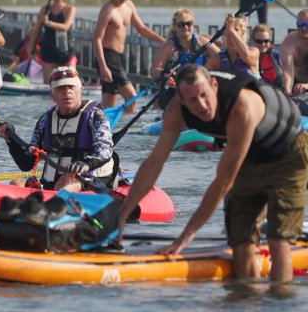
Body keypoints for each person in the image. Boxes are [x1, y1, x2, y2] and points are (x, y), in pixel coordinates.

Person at [118, 65, 308, 282]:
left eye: (204, 95)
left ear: (214, 86)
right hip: (250, 155)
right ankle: (247, 308)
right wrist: (123, 215)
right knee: (240, 240)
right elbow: (154, 162)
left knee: (278, 239)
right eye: (192, 100)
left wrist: (186, 236)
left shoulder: (241, 107)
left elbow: (223, 182)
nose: (201, 105)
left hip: (289, 154)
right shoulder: (176, 110)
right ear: (180, 99)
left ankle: (280, 306)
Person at [0, 66, 116, 192]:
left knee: (63, 183)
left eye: (71, 87)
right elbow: (26, 164)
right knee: (15, 183)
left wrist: (86, 164)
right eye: (60, 88)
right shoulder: (45, 120)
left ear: (81, 90)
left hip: (93, 180)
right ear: (52, 94)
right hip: (55, 181)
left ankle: (53, 201)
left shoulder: (95, 116)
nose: (67, 91)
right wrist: (11, 140)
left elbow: (105, 152)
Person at [93, 0, 166, 110]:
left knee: (108, 104)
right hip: (108, 57)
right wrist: (103, 67)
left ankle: (104, 127)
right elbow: (97, 39)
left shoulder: (129, 5)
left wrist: (163, 41)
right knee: (132, 97)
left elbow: (141, 28)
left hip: (118, 57)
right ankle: (129, 129)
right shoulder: (108, 9)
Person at [149, 8, 219, 110]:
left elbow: (222, 57)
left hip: (199, 89)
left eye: (188, 23)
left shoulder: (204, 42)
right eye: (181, 24)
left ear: (193, 25)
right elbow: (154, 70)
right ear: (174, 27)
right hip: (174, 91)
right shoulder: (169, 46)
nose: (185, 27)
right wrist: (164, 72)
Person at [24, 0, 77, 83]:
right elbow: (36, 30)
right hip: (49, 49)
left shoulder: (70, 9)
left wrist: (48, 23)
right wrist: (30, 48)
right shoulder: (45, 10)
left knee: (71, 81)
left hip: (65, 50)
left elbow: (66, 27)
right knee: (49, 84)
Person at [206, 13, 259, 78]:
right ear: (225, 32)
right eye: (227, 30)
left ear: (242, 32)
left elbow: (247, 57)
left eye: (236, 29)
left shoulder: (254, 51)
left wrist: (231, 29)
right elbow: (202, 76)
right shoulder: (217, 58)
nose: (230, 33)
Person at [280, 9, 308, 96]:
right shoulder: (289, 41)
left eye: (307, 25)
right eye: (300, 25)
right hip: (297, 84)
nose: (303, 28)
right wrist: (288, 91)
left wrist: (307, 86)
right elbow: (288, 71)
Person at [251, 24, 286, 91]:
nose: (263, 44)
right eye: (259, 41)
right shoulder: (247, 56)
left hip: (276, 92)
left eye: (266, 41)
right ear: (253, 41)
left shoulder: (278, 56)